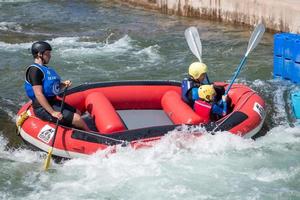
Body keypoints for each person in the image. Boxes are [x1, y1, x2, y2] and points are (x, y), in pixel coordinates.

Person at [24, 41, 89, 131]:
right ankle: (93, 136)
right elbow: (38, 94)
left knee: (77, 112)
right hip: (42, 107)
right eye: (47, 53)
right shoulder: (34, 70)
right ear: (39, 54)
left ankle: (73, 128)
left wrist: (63, 84)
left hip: (53, 102)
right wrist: (52, 112)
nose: (50, 55)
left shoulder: (46, 68)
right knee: (77, 118)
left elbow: (51, 87)